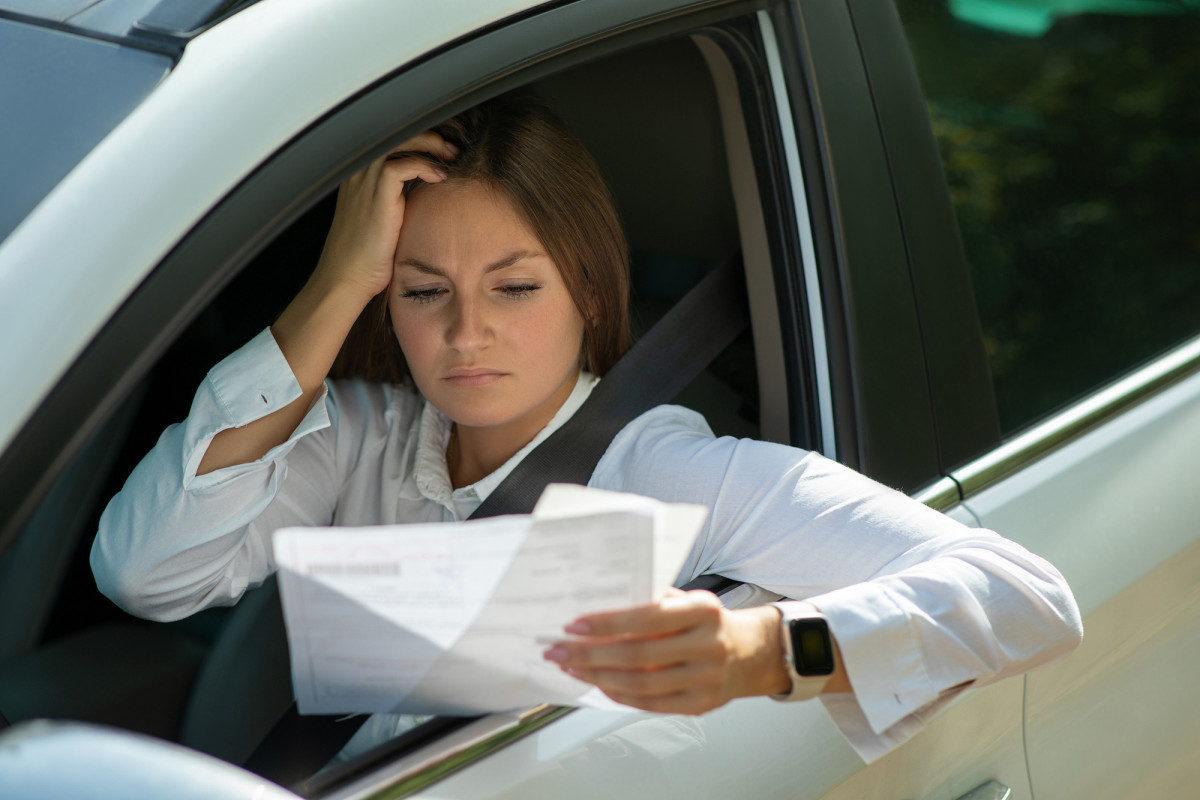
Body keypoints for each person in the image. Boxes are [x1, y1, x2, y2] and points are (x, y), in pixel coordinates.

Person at [91, 95, 1082, 763]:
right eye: (421, 289)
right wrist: (336, 280)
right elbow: (146, 572)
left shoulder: (666, 468)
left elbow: (1027, 592)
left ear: (590, 289)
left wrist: (766, 649)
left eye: (514, 287)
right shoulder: (359, 436)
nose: (467, 330)